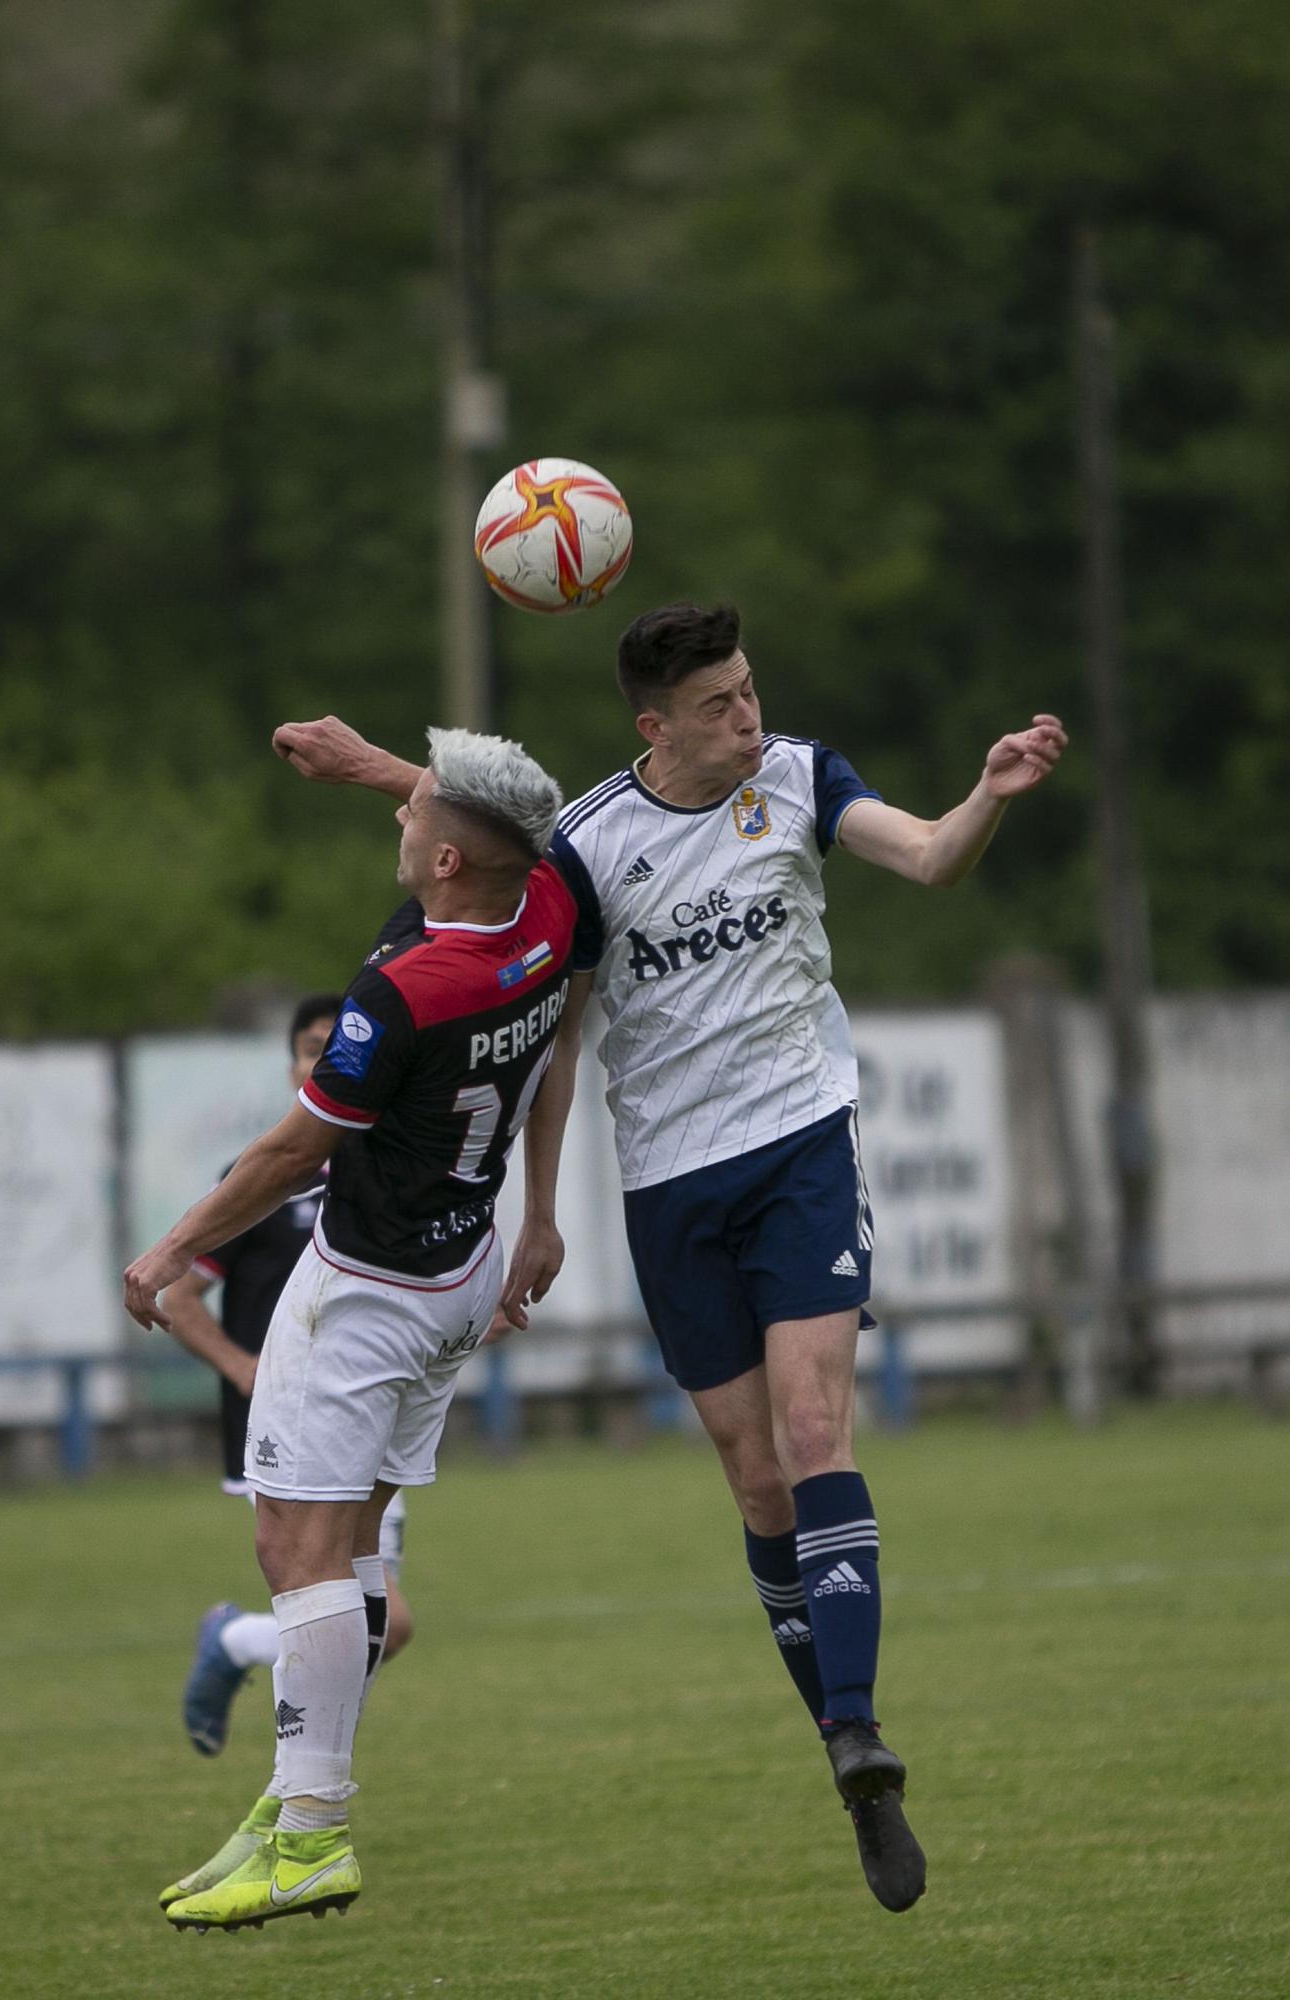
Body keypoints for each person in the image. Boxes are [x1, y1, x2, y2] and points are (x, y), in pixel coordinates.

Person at [271, 606, 1068, 1916]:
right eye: (718, 706)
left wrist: (984, 792)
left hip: (802, 1142)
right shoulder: (590, 847)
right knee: (753, 1478)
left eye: (749, 691)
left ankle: (862, 1727)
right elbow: (557, 1031)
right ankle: (840, 1754)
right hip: (669, 1181)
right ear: (655, 725)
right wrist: (538, 1211)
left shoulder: (800, 780)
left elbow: (926, 860)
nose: (746, 718)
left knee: (814, 1428)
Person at [124, 726, 573, 1933]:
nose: (398, 810)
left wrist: (170, 1250)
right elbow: (510, 829)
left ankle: (312, 1829)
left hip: (367, 1291)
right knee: (360, 1544)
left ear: (439, 861)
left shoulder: (404, 990)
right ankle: (290, 1800)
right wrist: (372, 761)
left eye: (410, 808)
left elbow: (290, 1152)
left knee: (291, 1548)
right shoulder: (545, 912)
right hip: (462, 1274)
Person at [161, 993, 414, 1768]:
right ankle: (300, 1786)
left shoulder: (390, 1172)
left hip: (367, 1413)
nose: (322, 1060)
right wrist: (243, 1370)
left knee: (373, 1623)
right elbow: (178, 1297)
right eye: (310, 1049)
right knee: (373, 1620)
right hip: (282, 1424)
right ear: (292, 1069)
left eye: (336, 1048)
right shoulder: (261, 1176)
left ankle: (239, 1648)